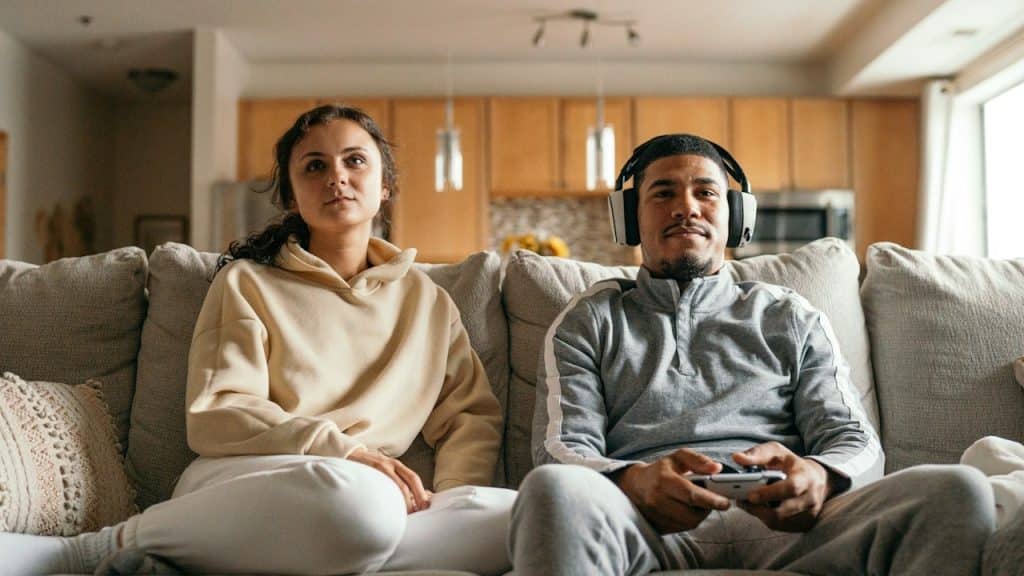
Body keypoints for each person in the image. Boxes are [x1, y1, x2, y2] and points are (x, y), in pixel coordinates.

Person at [2, 104, 515, 576]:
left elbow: (470, 416)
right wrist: (346, 453)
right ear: (292, 196)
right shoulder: (248, 283)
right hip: (248, 479)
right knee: (365, 504)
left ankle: (345, 551)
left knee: (523, 515)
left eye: (355, 160)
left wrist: (445, 501)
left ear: (384, 186)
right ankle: (95, 549)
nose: (337, 175)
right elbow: (218, 413)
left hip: (368, 503)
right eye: (315, 165)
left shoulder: (427, 301)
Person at [509, 134, 998, 575]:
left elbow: (853, 436)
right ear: (629, 216)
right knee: (552, 489)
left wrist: (820, 476)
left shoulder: (789, 314)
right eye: (663, 193)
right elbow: (561, 447)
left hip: (794, 529)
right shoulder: (590, 318)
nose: (686, 208)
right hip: (644, 522)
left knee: (958, 490)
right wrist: (633, 482)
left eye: (706, 192)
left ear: (735, 216)